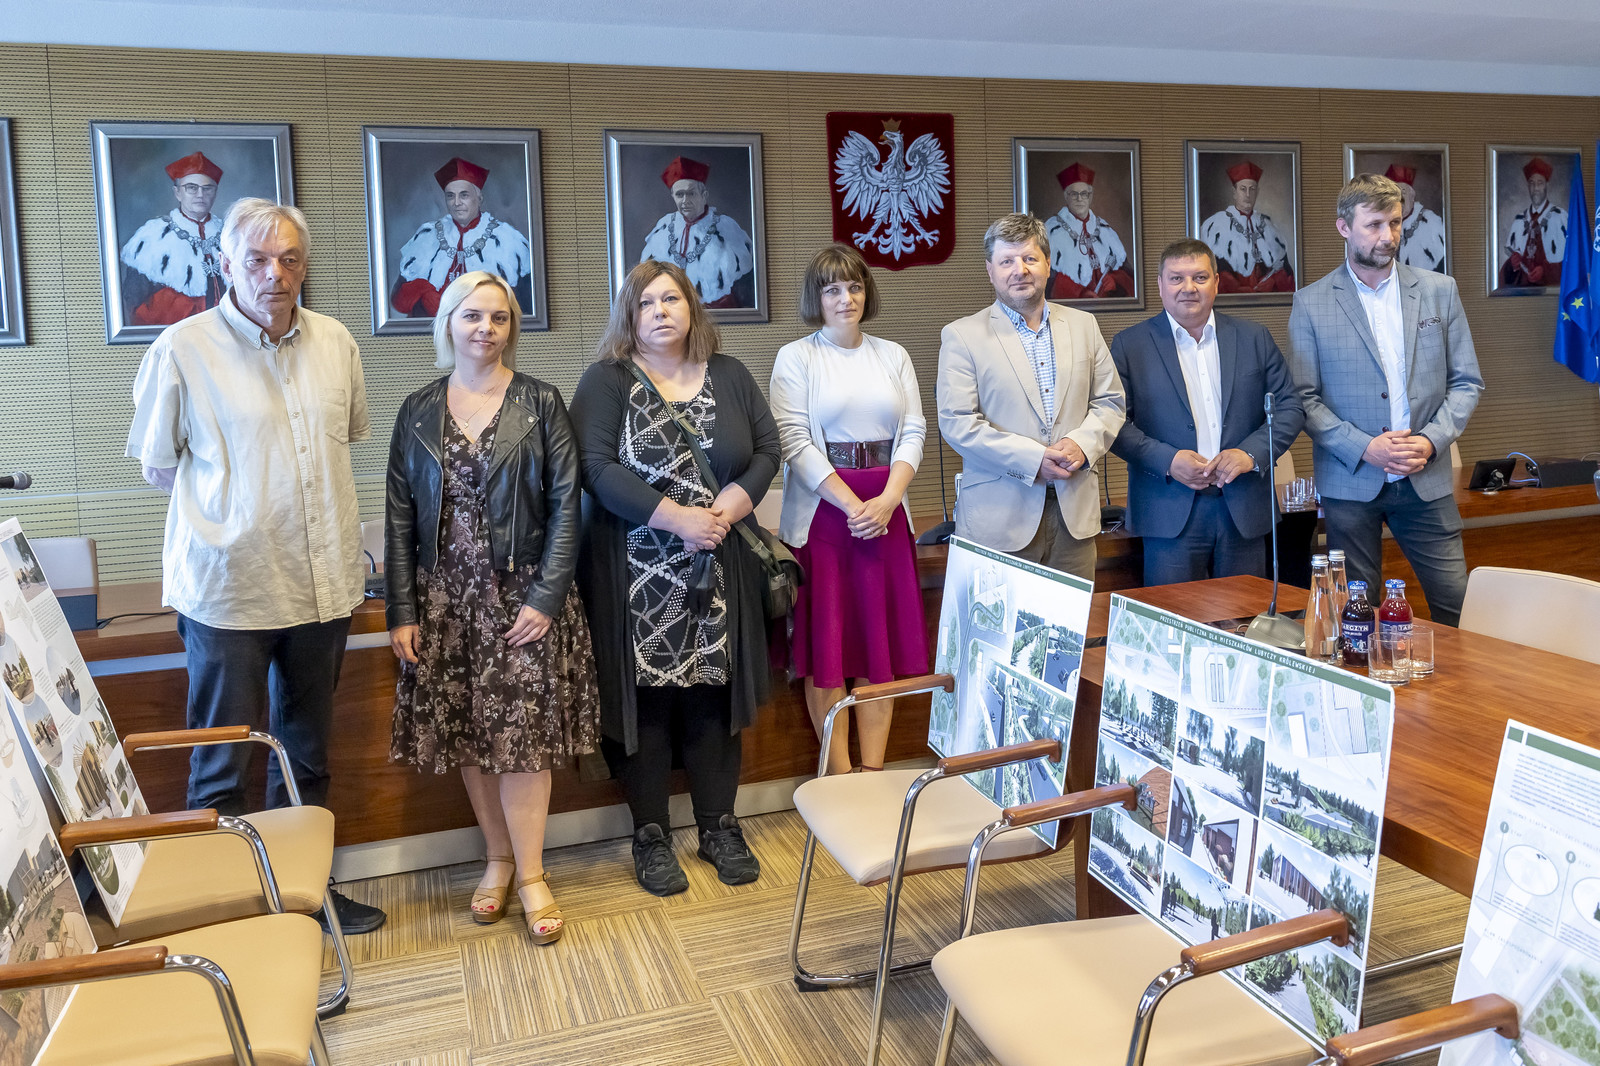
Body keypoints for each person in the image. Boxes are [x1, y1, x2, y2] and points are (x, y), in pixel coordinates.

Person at [125, 198, 386, 932]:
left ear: (305, 266)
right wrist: (237, 515)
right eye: (258, 260)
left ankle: (305, 897)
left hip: (322, 586)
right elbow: (158, 466)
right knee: (222, 763)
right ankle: (230, 913)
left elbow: (346, 435)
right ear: (225, 264)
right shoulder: (182, 348)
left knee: (307, 756)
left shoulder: (336, 343)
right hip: (228, 590)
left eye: (290, 259)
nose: (276, 274)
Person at [385, 271, 599, 945]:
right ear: (448, 323)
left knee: (524, 740)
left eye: (499, 318)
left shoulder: (540, 401)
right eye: (473, 316)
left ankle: (532, 875)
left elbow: (568, 507)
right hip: (445, 599)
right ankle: (498, 859)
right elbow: (398, 517)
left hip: (522, 598)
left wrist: (547, 596)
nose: (486, 328)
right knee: (471, 735)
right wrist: (401, 608)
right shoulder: (417, 409)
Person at [570, 259, 780, 896]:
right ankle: (651, 835)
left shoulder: (730, 373)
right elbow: (594, 468)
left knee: (713, 695)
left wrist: (725, 511)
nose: (660, 311)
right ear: (629, 315)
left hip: (719, 562)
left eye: (672, 299)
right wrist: (678, 519)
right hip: (632, 570)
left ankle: (719, 826)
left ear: (692, 307)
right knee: (648, 701)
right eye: (646, 303)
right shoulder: (607, 380)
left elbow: (767, 450)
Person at [1287, 174, 1484, 628]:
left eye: (1394, 223)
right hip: (1351, 482)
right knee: (1356, 616)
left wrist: (1431, 441)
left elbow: (1466, 382)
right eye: (1374, 225)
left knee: (1459, 605)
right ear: (1344, 227)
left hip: (1425, 477)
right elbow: (1303, 398)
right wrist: (1365, 447)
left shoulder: (1439, 290)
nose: (1388, 236)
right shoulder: (1311, 303)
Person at [770, 245, 928, 776]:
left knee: (879, 648)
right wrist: (854, 505)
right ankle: (839, 778)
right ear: (816, 298)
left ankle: (874, 773)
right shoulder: (797, 357)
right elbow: (794, 441)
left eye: (855, 286)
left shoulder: (893, 354)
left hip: (886, 512)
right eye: (833, 289)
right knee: (828, 649)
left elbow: (914, 430)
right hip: (826, 516)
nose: (846, 298)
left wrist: (887, 500)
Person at [936, 213, 1125, 581]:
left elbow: (1110, 401)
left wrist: (1082, 444)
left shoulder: (1084, 325)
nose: (1019, 270)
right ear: (990, 270)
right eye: (1006, 261)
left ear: (1048, 264)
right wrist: (1033, 459)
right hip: (999, 520)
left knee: (1073, 620)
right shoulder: (961, 336)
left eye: (1029, 258)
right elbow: (958, 424)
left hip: (1074, 518)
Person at [1109, 238, 1304, 585]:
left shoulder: (1253, 338)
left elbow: (1290, 407)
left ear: (1216, 282)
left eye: (1199, 277)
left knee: (1245, 614)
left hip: (1243, 507)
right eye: (1176, 278)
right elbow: (1113, 423)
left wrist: (1249, 454)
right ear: (1160, 285)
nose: (1188, 288)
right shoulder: (1130, 345)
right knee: (1172, 617)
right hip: (1168, 509)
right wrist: (1168, 460)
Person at [391, 156, 534, 318]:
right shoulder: (427, 236)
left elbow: (525, 307)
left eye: (464, 195)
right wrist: (423, 290)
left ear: (479, 198)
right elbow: (397, 301)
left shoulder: (507, 238)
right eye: (450, 196)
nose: (456, 202)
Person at [119, 151, 227, 326]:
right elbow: (134, 301)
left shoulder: (231, 233)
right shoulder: (152, 236)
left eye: (207, 188)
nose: (200, 194)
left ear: (215, 192)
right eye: (191, 188)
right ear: (177, 192)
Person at [639, 156, 755, 309]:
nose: (685, 200)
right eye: (680, 194)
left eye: (691, 193)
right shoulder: (664, 227)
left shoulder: (726, 228)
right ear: (673, 196)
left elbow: (746, 278)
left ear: (704, 196)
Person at [1199, 160, 1295, 294]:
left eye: (1252, 189)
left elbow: (1286, 275)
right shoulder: (1216, 225)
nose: (1248, 195)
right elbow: (1213, 273)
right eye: (1243, 189)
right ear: (1234, 192)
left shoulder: (1268, 225)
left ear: (1257, 192)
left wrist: (1273, 281)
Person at [1044, 163, 1133, 300]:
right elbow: (1045, 278)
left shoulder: (1105, 230)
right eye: (1074, 194)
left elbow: (1129, 278)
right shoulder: (1052, 230)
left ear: (1090, 197)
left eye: (1084, 194)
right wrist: (1080, 293)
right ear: (1066, 196)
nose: (1079, 199)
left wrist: (1114, 281)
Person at [1501, 157, 1568, 289]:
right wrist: (1513, 265)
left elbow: (1573, 262)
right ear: (1528, 187)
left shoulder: (1561, 217)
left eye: (1540, 183)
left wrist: (1546, 271)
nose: (1536, 188)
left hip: (1551, 294)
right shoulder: (1519, 220)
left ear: (1546, 185)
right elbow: (1507, 276)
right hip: (1521, 294)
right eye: (1532, 183)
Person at [1385, 164, 1447, 273]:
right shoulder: (1383, 224)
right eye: (1395, 195)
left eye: (1403, 192)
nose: (1400, 199)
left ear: (1412, 196)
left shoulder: (1430, 221)